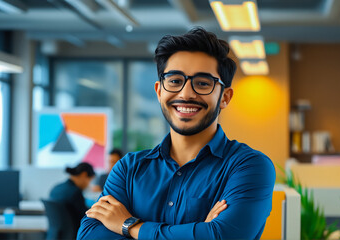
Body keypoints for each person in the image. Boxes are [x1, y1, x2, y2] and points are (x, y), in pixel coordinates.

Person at [77, 27, 275, 240]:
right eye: (174, 81)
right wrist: (199, 232)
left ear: (225, 97)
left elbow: (222, 236)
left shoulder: (249, 167)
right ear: (159, 91)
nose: (186, 93)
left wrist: (129, 226)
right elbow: (90, 235)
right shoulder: (128, 169)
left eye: (202, 83)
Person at [49, 162, 95, 232]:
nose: (88, 185)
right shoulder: (75, 192)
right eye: (89, 180)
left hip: (56, 234)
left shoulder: (56, 188)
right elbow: (86, 217)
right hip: (73, 233)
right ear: (84, 175)